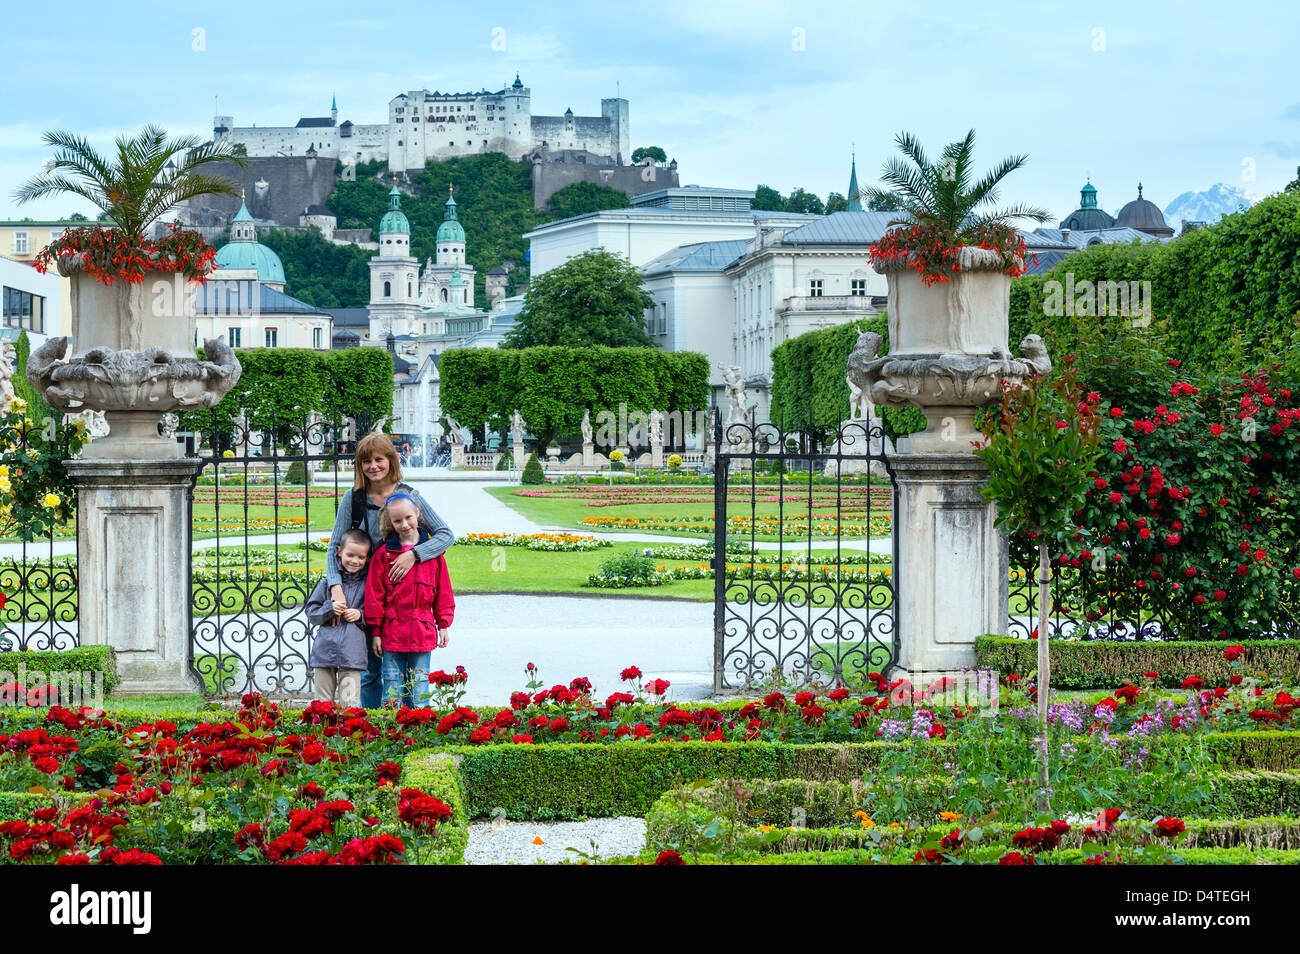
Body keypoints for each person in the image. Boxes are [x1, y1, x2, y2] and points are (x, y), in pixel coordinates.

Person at [324, 433, 454, 708]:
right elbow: (335, 544)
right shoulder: (354, 498)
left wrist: (415, 556)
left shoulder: (409, 497)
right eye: (367, 461)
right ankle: (373, 725)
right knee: (371, 668)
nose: (373, 466)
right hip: (365, 591)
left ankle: (410, 723)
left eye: (379, 459)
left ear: (391, 461)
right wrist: (336, 586)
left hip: (403, 591)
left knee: (408, 671)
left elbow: (445, 535)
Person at [364, 494, 455, 708]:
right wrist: (375, 632)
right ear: (390, 522)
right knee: (392, 687)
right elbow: (374, 597)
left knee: (420, 686)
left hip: (422, 631)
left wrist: (443, 624)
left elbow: (443, 593)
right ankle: (392, 732)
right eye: (397, 521)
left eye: (408, 518)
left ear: (418, 515)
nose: (404, 525)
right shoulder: (383, 556)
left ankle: (420, 730)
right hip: (392, 633)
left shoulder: (433, 555)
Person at [305, 529, 371, 708]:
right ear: (339, 552)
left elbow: (375, 613)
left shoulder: (368, 584)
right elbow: (312, 611)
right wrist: (329, 608)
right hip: (324, 652)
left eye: (361, 557)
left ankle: (349, 735)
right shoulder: (328, 583)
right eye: (350, 555)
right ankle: (321, 735)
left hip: (352, 654)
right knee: (322, 704)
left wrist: (360, 615)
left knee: (349, 705)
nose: (355, 561)